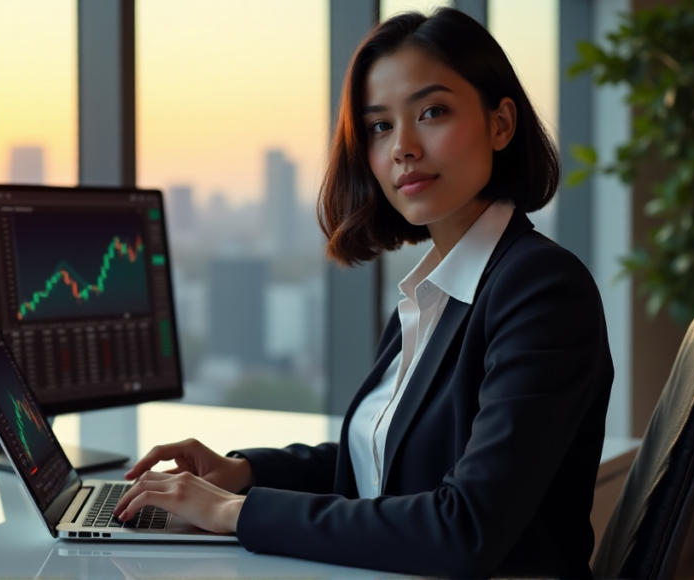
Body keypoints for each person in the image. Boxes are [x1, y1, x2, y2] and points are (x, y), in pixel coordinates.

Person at [113, 8, 613, 578]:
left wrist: (233, 512)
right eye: (379, 126)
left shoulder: (541, 288)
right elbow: (386, 462)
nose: (403, 147)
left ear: (501, 124)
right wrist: (243, 473)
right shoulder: (432, 293)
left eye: (432, 112)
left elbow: (465, 527)